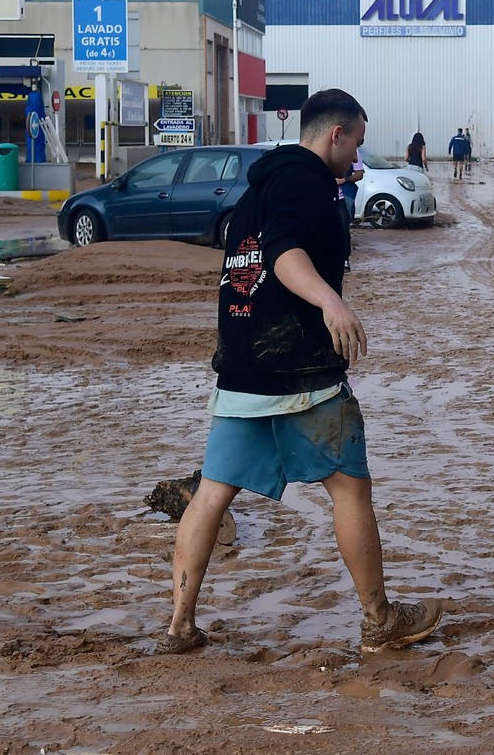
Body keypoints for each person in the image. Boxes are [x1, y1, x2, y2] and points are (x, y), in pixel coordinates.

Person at [162, 88, 443, 655]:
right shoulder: (303, 182)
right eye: (357, 144)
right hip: (300, 370)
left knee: (212, 493)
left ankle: (180, 627)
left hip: (243, 368)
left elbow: (252, 259)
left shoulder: (257, 188)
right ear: (334, 135)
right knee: (350, 489)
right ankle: (379, 618)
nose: (358, 159)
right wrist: (331, 303)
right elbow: (283, 253)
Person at [337, 151, 365, 270]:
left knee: (343, 228)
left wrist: (345, 180)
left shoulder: (353, 150)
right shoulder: (323, 148)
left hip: (343, 198)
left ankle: (344, 259)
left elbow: (359, 174)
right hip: (325, 195)